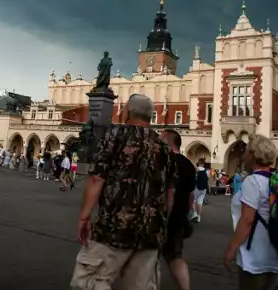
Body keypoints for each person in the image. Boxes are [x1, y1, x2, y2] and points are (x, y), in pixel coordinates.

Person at [70, 94, 177, 290]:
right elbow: (170, 193)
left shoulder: (115, 136)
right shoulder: (164, 147)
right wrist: (160, 223)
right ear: (151, 115)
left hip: (113, 227)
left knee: (89, 281)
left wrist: (84, 217)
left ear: (126, 112)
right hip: (150, 232)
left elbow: (97, 178)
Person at [224, 135, 278, 290]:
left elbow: (247, 219)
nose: (243, 155)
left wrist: (232, 248)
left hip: (256, 252)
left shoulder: (253, 181)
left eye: (246, 151)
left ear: (252, 154)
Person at [161, 129, 196, 290]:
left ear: (168, 141)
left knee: (147, 255)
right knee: (175, 256)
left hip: (160, 215)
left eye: (161, 138)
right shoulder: (188, 164)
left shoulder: (162, 159)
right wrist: (185, 213)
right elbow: (191, 195)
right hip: (179, 217)